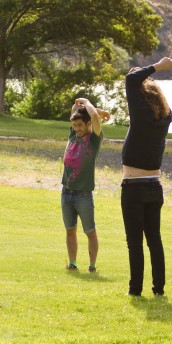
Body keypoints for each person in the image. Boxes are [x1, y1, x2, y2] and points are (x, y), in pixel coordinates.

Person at [120, 56, 172, 296]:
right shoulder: (165, 118)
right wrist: (149, 80)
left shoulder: (141, 116)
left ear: (141, 98)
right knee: (154, 240)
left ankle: (135, 290)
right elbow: (136, 81)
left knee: (136, 243)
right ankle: (158, 289)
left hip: (134, 187)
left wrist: (156, 67)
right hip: (155, 187)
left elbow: (132, 79)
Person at [61, 98, 110, 273]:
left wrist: (89, 103)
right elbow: (76, 108)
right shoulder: (73, 134)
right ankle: (73, 263)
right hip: (66, 192)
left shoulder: (94, 139)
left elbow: (95, 118)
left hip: (83, 195)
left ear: (88, 124)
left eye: (80, 125)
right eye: (75, 125)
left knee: (89, 231)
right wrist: (92, 109)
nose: (77, 129)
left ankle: (92, 265)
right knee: (70, 230)